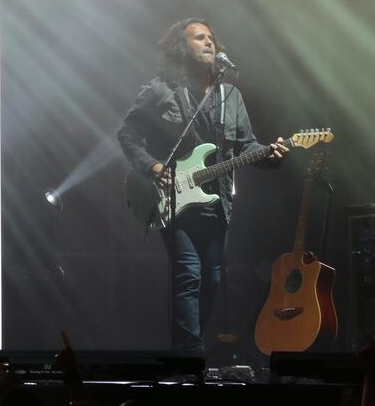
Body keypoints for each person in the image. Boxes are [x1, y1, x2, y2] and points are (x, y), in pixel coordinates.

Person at [117, 18, 288, 355]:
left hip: (215, 201)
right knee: (189, 275)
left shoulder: (231, 96)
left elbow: (247, 146)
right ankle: (191, 358)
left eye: (211, 38)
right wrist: (151, 166)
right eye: (199, 38)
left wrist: (272, 154)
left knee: (212, 279)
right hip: (172, 198)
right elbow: (127, 134)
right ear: (182, 49)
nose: (209, 42)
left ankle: (185, 350)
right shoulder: (160, 90)